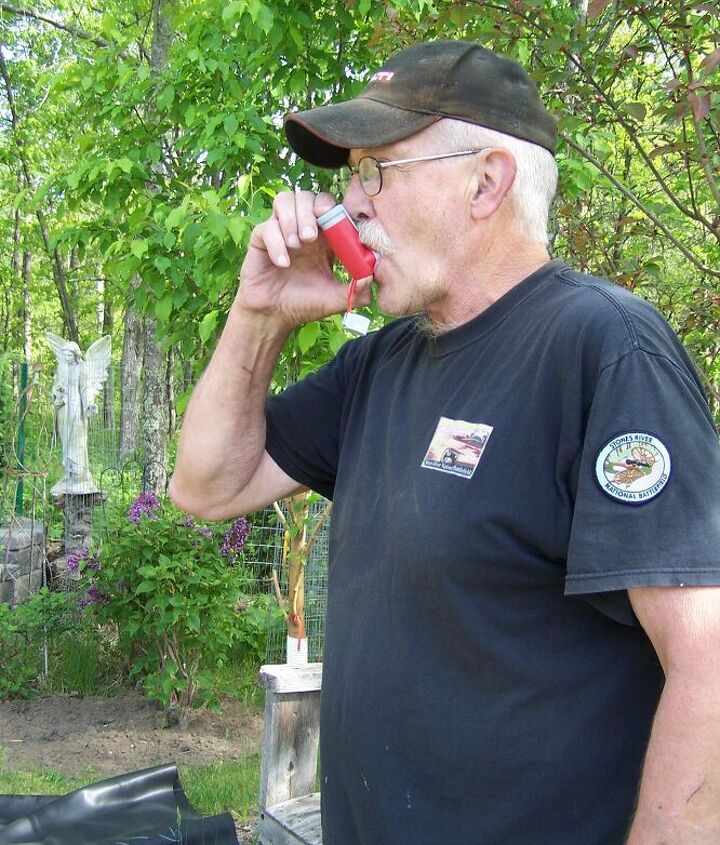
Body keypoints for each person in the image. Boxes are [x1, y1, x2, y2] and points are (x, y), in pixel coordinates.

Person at [170, 40, 720, 845]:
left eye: (376, 172)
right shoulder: (380, 364)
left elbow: (708, 663)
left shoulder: (602, 348)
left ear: (486, 182)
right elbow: (207, 486)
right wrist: (260, 314)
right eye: (351, 174)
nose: (348, 205)